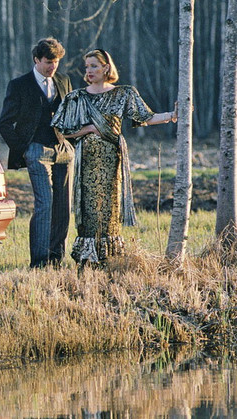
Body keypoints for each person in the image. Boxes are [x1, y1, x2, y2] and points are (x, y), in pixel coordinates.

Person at [51, 49, 177, 264]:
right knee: (88, 209)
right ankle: (88, 258)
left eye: (94, 66)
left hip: (112, 160)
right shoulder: (77, 97)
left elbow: (146, 116)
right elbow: (61, 130)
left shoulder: (123, 93)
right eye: (87, 67)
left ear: (106, 67)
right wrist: (89, 129)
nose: (89, 71)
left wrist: (173, 116)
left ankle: (110, 258)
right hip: (87, 162)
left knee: (110, 208)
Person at [0, 38, 74, 268]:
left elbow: (70, 116)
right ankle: (40, 262)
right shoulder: (19, 85)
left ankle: (56, 260)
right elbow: (4, 124)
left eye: (57, 62)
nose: (53, 67)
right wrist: (25, 149)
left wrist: (72, 143)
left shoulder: (64, 80)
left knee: (63, 206)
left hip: (63, 150)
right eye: (49, 62)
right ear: (37, 60)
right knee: (45, 204)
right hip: (36, 150)